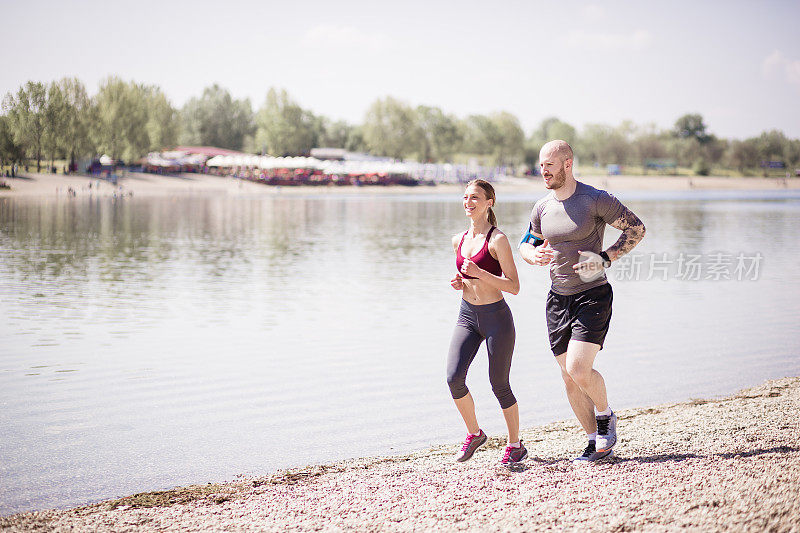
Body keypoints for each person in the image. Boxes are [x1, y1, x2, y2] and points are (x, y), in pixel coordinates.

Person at [519, 140, 646, 464]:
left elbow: (636, 228)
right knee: (568, 376)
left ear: (568, 164)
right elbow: (527, 242)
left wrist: (605, 258)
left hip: (592, 295)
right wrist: (532, 254)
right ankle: (594, 442)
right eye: (541, 164)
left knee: (578, 368)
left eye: (549, 164)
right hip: (557, 300)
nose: (543, 170)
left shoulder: (594, 199)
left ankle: (606, 416)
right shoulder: (542, 207)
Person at [447, 179, 527, 465]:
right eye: (465, 197)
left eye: (475, 198)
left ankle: (515, 444)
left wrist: (481, 273)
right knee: (454, 378)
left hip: (497, 319)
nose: (468, 203)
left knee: (499, 384)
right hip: (467, 316)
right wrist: (460, 282)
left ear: (489, 203)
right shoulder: (459, 240)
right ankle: (475, 433)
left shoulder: (498, 240)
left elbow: (514, 286)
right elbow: (467, 279)